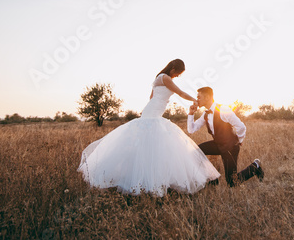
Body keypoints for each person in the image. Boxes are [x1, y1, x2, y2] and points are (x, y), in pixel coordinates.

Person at [78, 59, 220, 196]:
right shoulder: (165, 78)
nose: (178, 76)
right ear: (173, 69)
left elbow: (151, 97)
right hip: (152, 115)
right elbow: (180, 93)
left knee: (152, 148)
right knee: (150, 146)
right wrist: (195, 100)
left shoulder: (159, 78)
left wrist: (158, 106)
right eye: (178, 73)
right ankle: (145, 182)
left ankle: (152, 180)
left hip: (153, 112)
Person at [188, 87, 264, 187]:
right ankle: (212, 178)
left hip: (230, 147)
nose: (196, 100)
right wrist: (191, 114)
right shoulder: (205, 114)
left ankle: (255, 167)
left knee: (232, 182)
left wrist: (238, 140)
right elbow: (191, 129)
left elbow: (241, 127)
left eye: (198, 97)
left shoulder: (223, 109)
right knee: (196, 152)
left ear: (206, 97)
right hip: (217, 144)